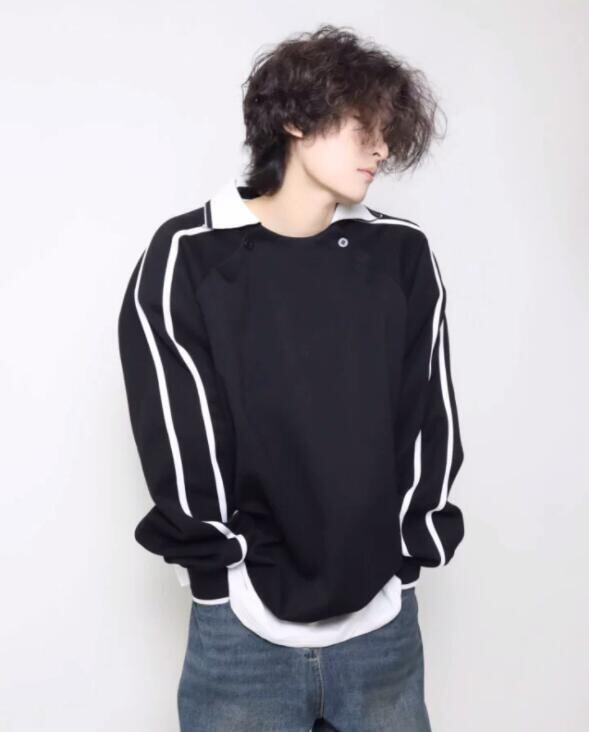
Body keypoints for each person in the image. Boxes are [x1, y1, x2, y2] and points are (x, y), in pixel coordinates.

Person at [117, 23, 465, 732]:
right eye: (364, 126)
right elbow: (179, 437)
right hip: (242, 633)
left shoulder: (400, 254)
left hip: (382, 627)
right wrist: (221, 576)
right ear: (295, 121)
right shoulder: (189, 254)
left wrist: (405, 562)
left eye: (389, 131)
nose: (382, 148)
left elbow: (427, 418)